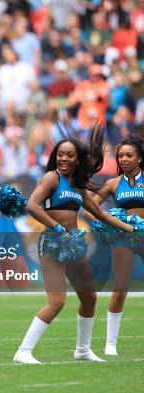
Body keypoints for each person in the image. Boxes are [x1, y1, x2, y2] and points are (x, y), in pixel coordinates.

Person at [13, 125, 134, 364]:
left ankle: (83, 349)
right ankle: (23, 351)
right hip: (53, 242)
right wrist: (57, 228)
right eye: (60, 154)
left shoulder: (78, 187)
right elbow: (32, 206)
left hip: (75, 244)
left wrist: (131, 228)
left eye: (69, 155)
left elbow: (100, 213)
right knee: (57, 301)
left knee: (89, 298)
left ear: (78, 159)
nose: (64, 158)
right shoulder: (51, 178)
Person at [84, 135, 143, 356]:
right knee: (120, 288)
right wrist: (110, 222)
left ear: (140, 158)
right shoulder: (113, 183)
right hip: (123, 239)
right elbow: (89, 210)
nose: (124, 159)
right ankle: (111, 344)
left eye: (129, 155)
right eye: (121, 156)